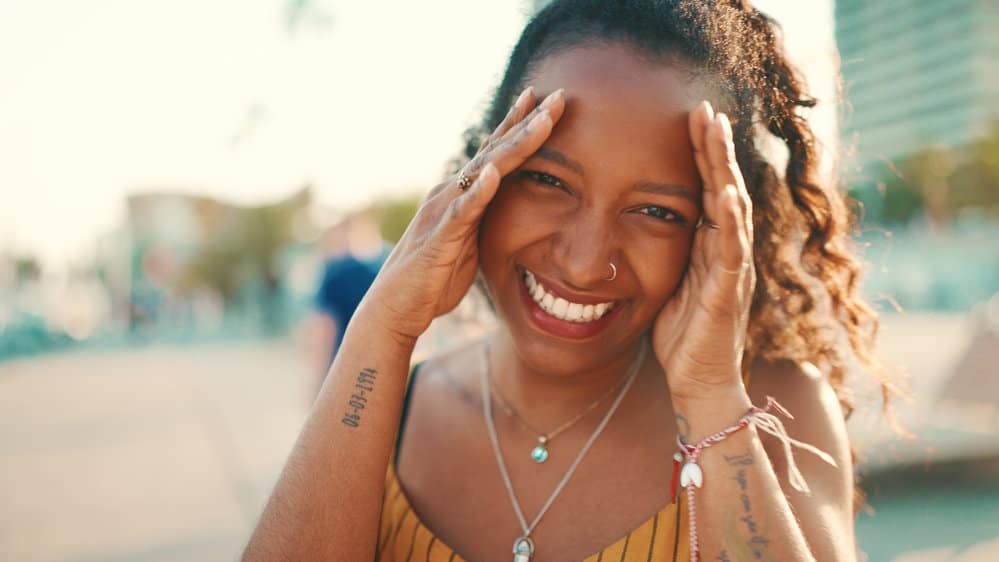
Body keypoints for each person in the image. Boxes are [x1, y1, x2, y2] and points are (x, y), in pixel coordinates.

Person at [243, 1, 891, 560]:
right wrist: (381, 331)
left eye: (657, 212)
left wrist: (710, 397)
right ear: (484, 170)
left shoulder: (772, 407)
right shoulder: (389, 406)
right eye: (547, 181)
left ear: (721, 229)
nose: (585, 263)